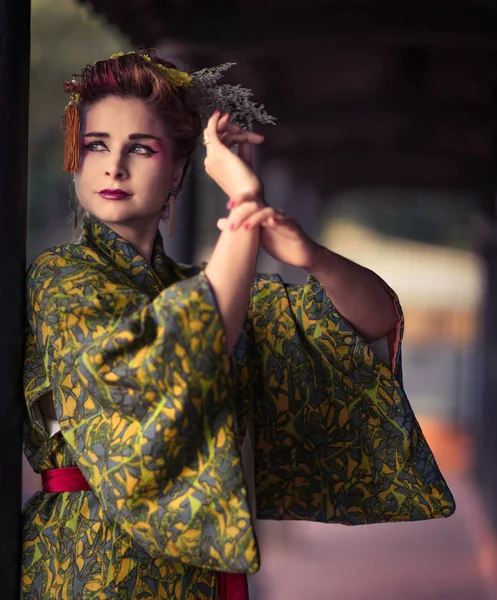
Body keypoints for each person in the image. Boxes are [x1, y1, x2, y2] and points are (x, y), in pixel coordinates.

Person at [22, 50, 455, 600]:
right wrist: (244, 204)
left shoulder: (201, 286)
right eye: (96, 145)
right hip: (92, 563)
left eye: (141, 148)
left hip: (200, 571)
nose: (114, 166)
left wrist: (310, 255)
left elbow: (368, 321)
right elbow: (186, 349)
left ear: (178, 168)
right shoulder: (62, 276)